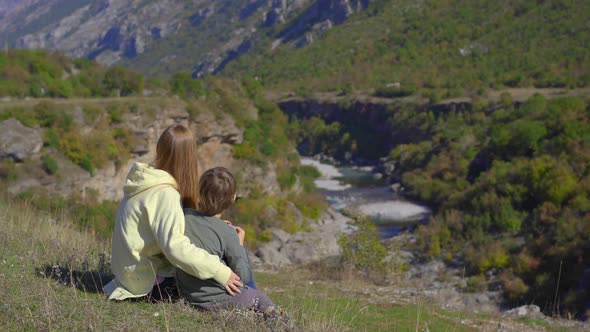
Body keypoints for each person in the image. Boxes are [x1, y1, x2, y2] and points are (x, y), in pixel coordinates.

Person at [103, 124, 242, 301]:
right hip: (146, 283)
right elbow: (175, 247)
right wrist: (220, 271)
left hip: (129, 274)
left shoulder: (146, 181)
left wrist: (215, 228)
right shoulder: (165, 194)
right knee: (218, 285)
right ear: (189, 158)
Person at [176, 167, 274, 312]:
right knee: (262, 300)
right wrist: (239, 244)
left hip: (186, 294)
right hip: (217, 300)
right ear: (233, 199)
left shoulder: (183, 216)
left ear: (199, 193)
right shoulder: (228, 233)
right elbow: (244, 277)